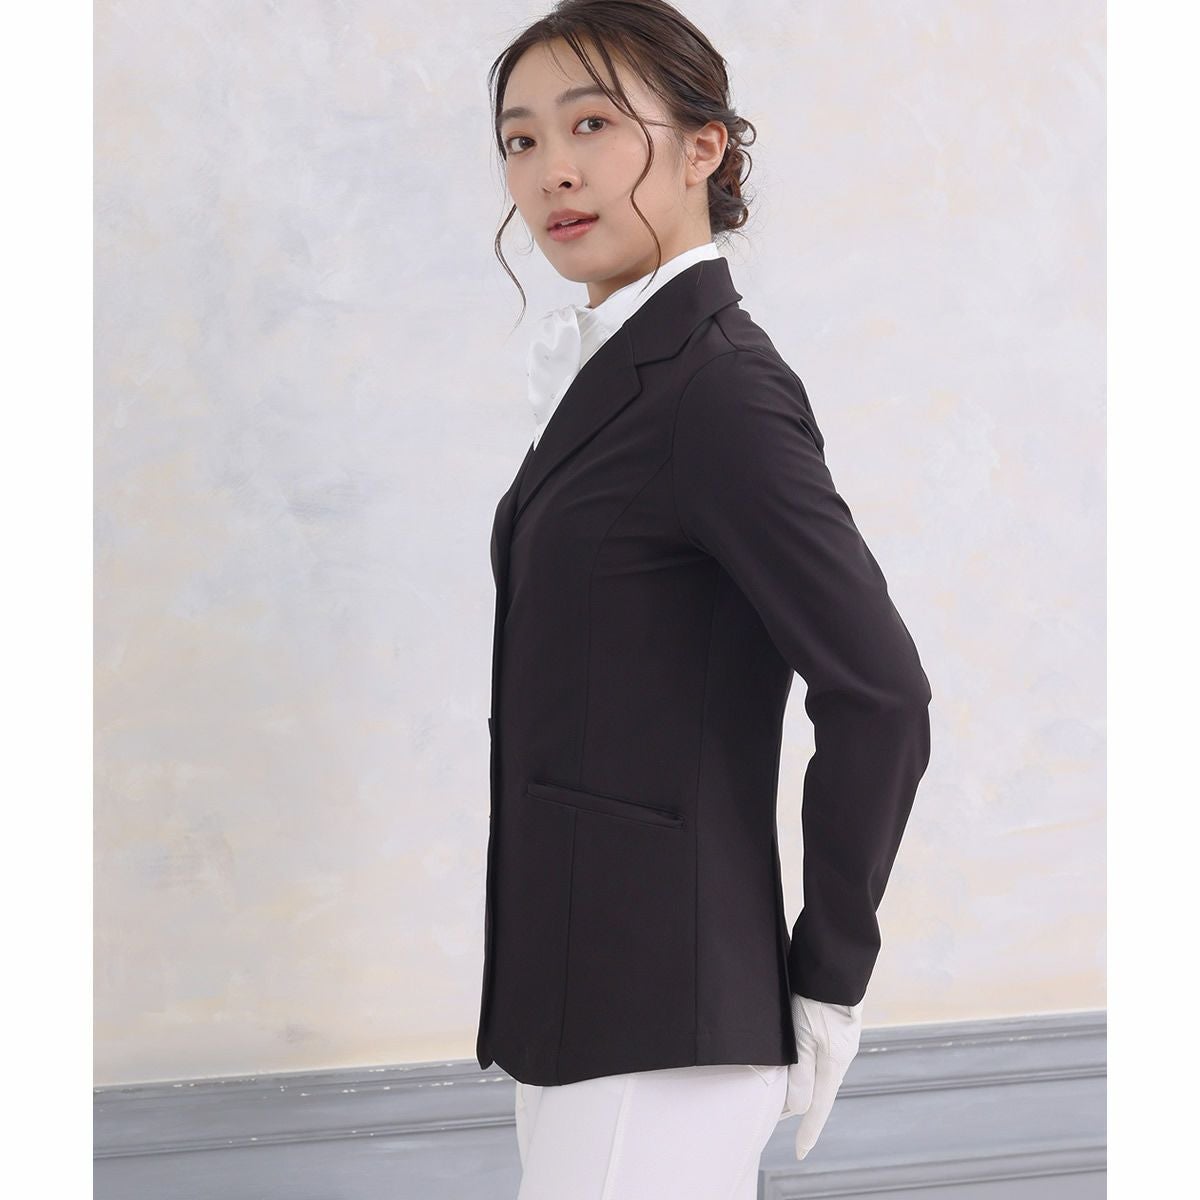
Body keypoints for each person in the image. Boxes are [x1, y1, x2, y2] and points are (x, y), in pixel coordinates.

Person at [478, 3, 933, 1196]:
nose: (552, 169)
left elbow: (880, 694)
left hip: (665, 1017)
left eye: (592, 124)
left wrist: (828, 977)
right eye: (521, 139)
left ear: (702, 147)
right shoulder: (617, 375)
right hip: (575, 1000)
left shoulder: (716, 389)